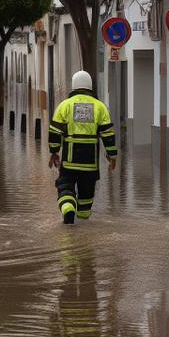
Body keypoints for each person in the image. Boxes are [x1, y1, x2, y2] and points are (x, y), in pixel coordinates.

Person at [48, 71, 117, 225]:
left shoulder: (64, 105)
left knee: (65, 186)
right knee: (86, 194)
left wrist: (54, 151)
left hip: (70, 159)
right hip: (90, 161)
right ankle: (83, 222)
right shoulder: (100, 106)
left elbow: (54, 131)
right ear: (90, 86)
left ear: (73, 85)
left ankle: (68, 209)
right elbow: (108, 133)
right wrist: (112, 155)